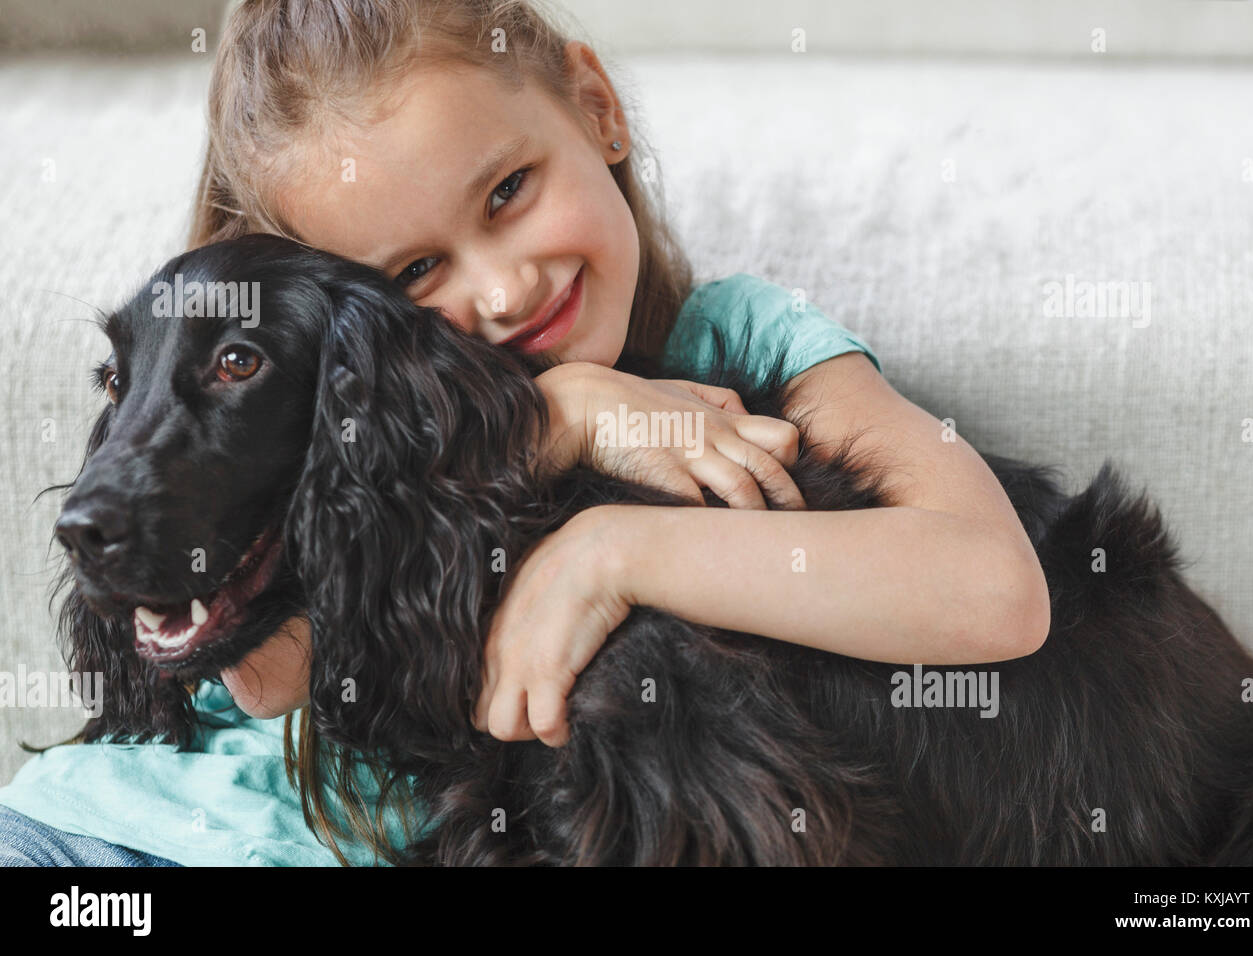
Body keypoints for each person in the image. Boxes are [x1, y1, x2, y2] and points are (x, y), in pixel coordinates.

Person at [0, 0, 1050, 866]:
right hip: (133, 832)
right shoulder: (333, 418)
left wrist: (615, 552)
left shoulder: (744, 343)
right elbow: (269, 677)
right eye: (415, 273)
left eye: (508, 192)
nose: (503, 292)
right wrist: (564, 414)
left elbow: (988, 586)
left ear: (596, 108)